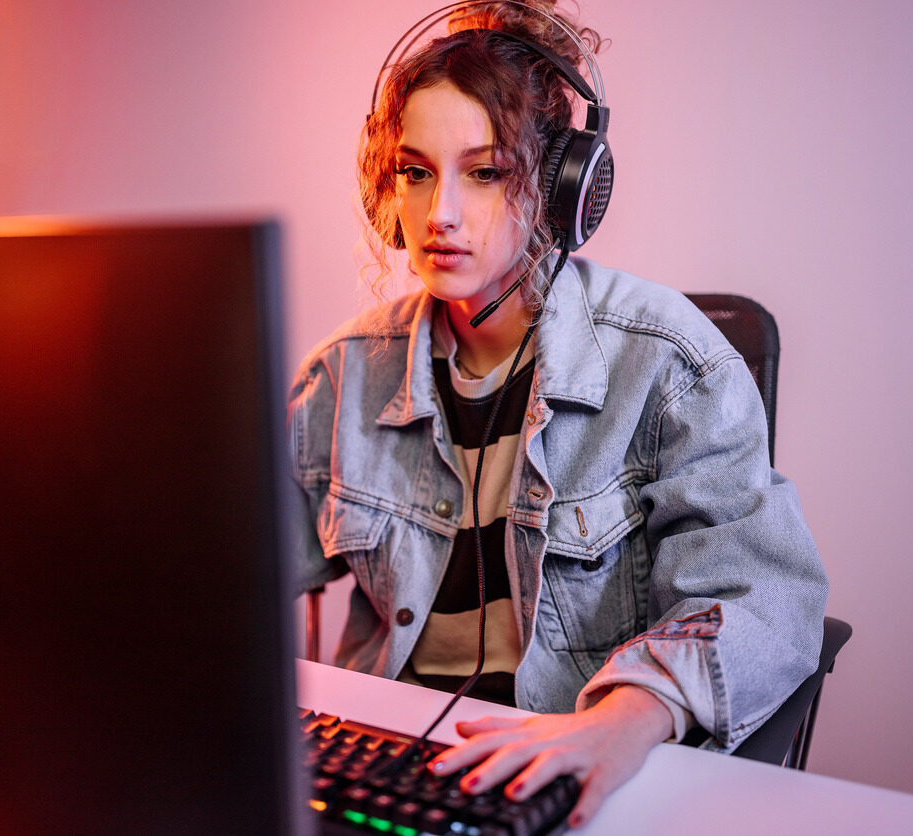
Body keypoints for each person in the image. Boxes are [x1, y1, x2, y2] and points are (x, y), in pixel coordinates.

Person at [288, 0, 828, 827]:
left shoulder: (665, 361)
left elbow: (767, 598)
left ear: (562, 185)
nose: (438, 215)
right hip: (387, 768)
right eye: (414, 170)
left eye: (484, 171)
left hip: (570, 765)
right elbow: (217, 574)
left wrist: (624, 721)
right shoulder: (346, 371)